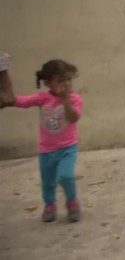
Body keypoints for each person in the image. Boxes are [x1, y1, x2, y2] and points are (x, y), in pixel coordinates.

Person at [1, 59, 83, 222]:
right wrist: (7, 100)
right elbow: (21, 101)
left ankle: (72, 201)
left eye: (69, 79)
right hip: (47, 150)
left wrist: (66, 101)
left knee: (66, 176)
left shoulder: (74, 99)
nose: (66, 84)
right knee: (48, 182)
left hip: (68, 148)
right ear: (47, 83)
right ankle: (49, 204)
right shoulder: (42, 98)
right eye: (60, 81)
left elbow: (73, 118)